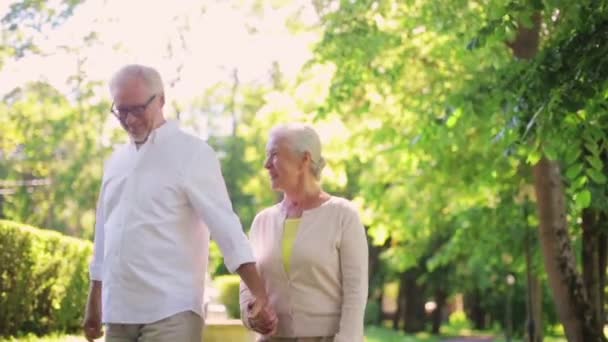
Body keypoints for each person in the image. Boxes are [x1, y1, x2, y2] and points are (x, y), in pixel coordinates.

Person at [82, 64, 276, 342]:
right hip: (119, 312)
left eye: (138, 109)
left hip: (171, 310)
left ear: (160, 100)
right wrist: (95, 300)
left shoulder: (192, 153)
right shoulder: (116, 161)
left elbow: (226, 227)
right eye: (121, 111)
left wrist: (259, 293)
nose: (130, 120)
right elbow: (104, 233)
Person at [239, 123, 368, 342]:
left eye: (274, 154)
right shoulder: (262, 221)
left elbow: (355, 294)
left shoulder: (343, 215)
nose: (266, 164)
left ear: (304, 160)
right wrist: (251, 315)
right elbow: (248, 285)